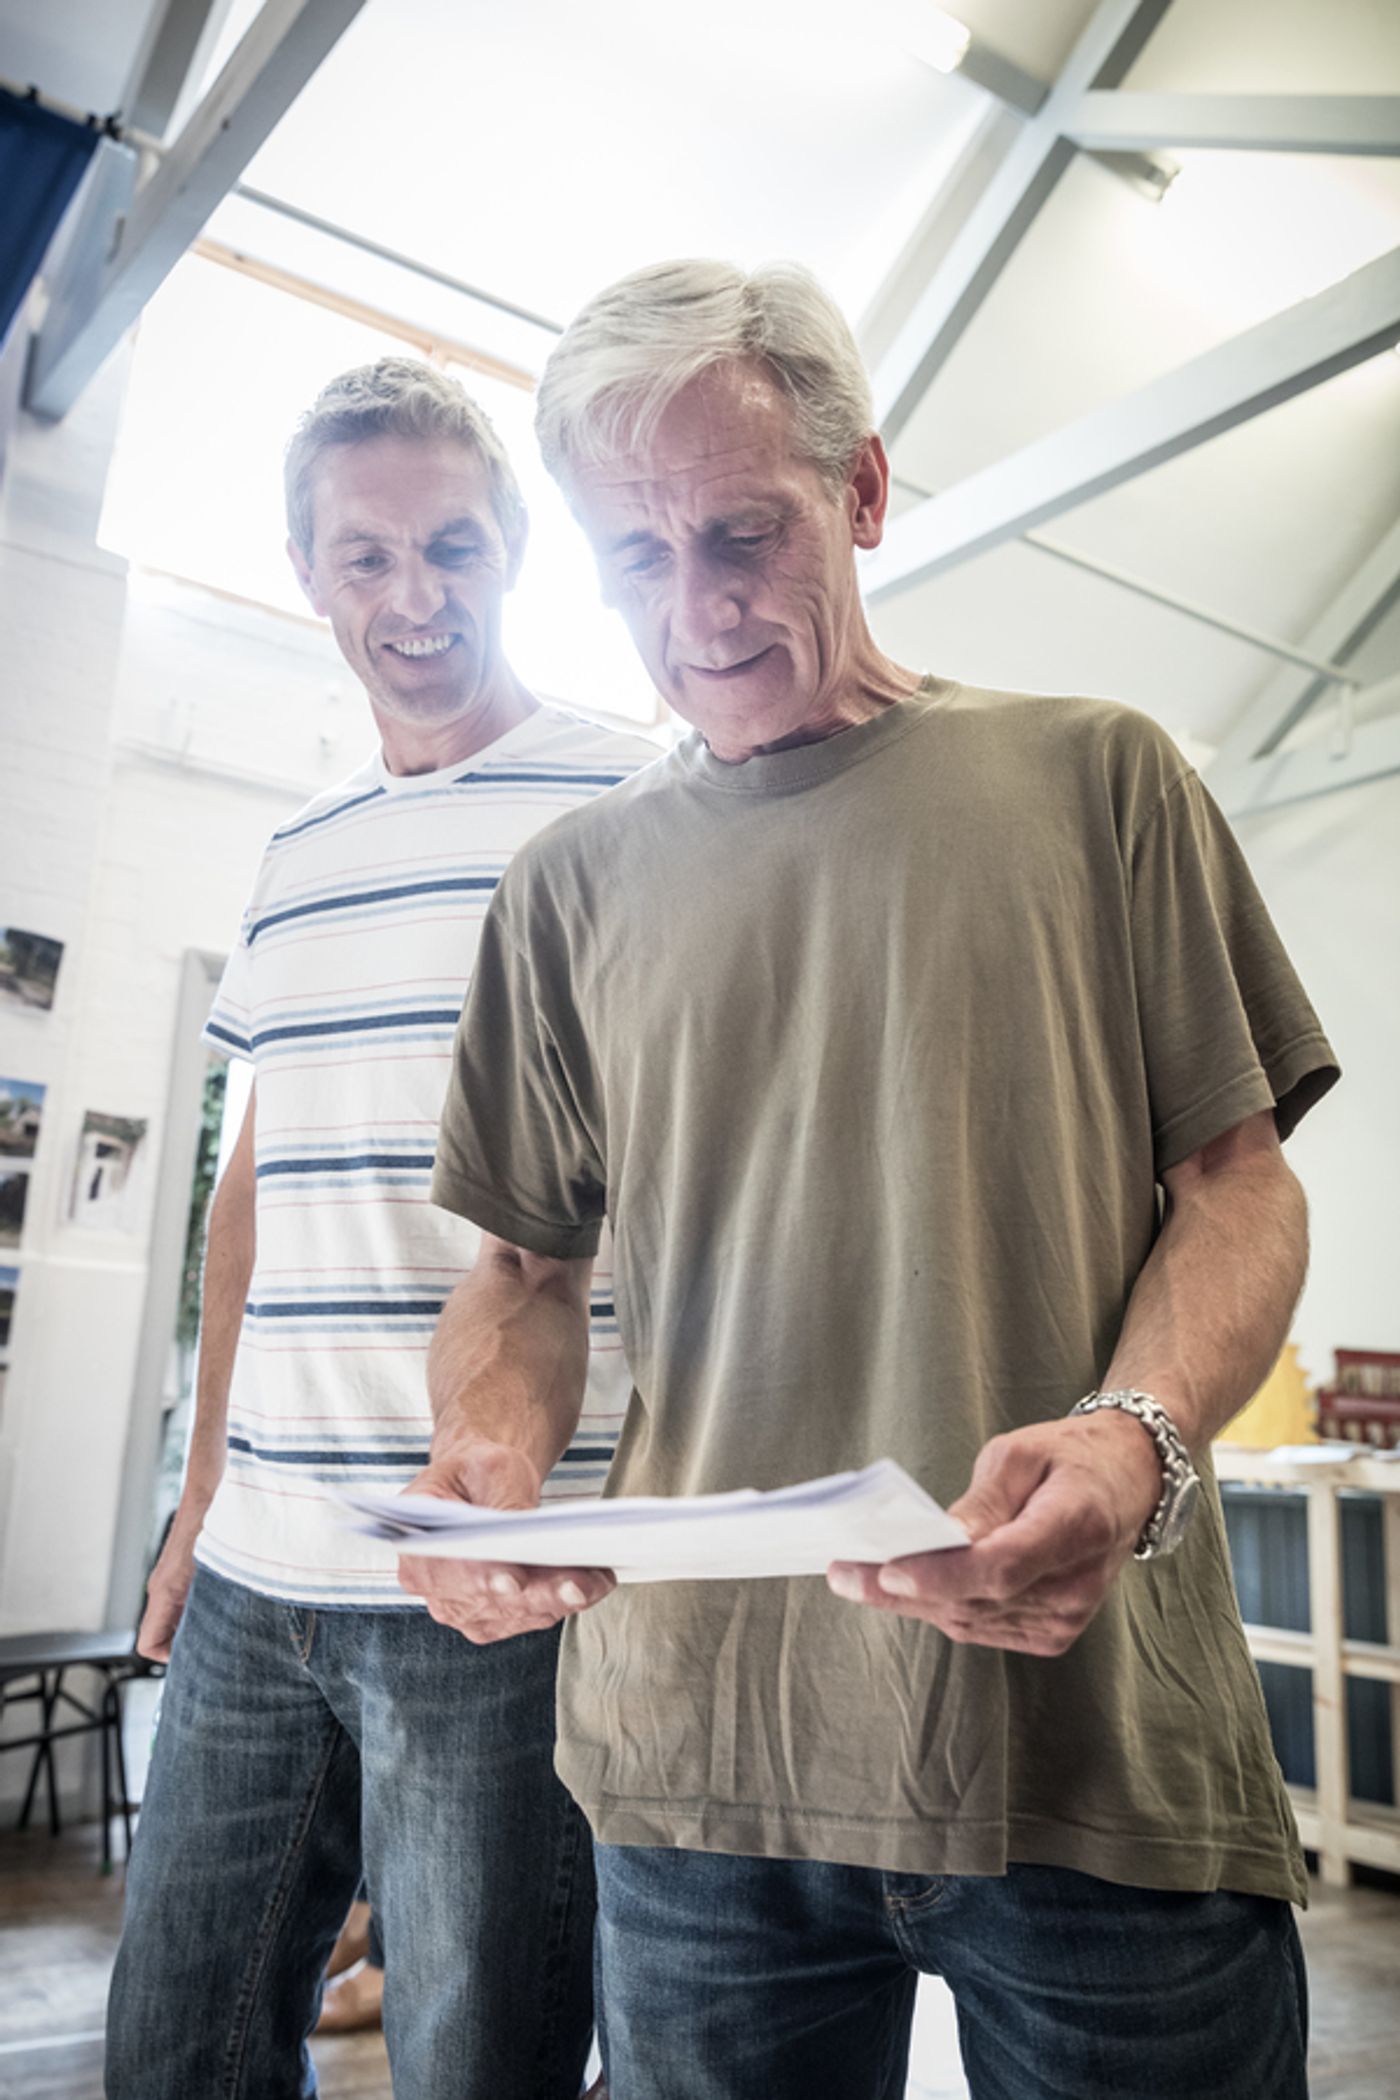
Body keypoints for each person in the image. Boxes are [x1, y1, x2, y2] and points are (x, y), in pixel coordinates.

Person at [400, 260, 1340, 2100]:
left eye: (743, 534)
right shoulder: (567, 888)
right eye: (634, 560)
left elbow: (1240, 1187)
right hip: (696, 1773)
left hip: (1084, 1748)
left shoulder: (1097, 779)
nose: (697, 610)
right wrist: (488, 1458)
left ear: (865, 490)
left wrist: (1136, 1435)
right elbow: (520, 1278)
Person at [106, 357, 656, 2100]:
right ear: (308, 572)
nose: (415, 595)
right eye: (366, 556)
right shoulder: (298, 850)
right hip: (259, 1572)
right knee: (171, 2052)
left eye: (454, 547)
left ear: (515, 551)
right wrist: (200, 1497)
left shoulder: (633, 804)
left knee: (480, 2066)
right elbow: (253, 1192)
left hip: (496, 1583)